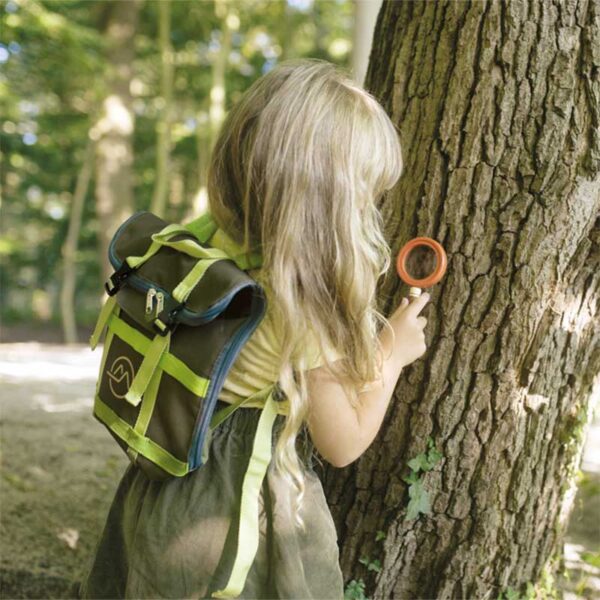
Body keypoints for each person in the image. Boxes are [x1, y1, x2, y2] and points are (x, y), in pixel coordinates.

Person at [77, 57, 429, 599]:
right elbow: (343, 443)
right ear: (330, 204)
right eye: (365, 192)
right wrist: (393, 351)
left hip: (160, 488)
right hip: (232, 516)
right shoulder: (302, 304)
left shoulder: (204, 241)